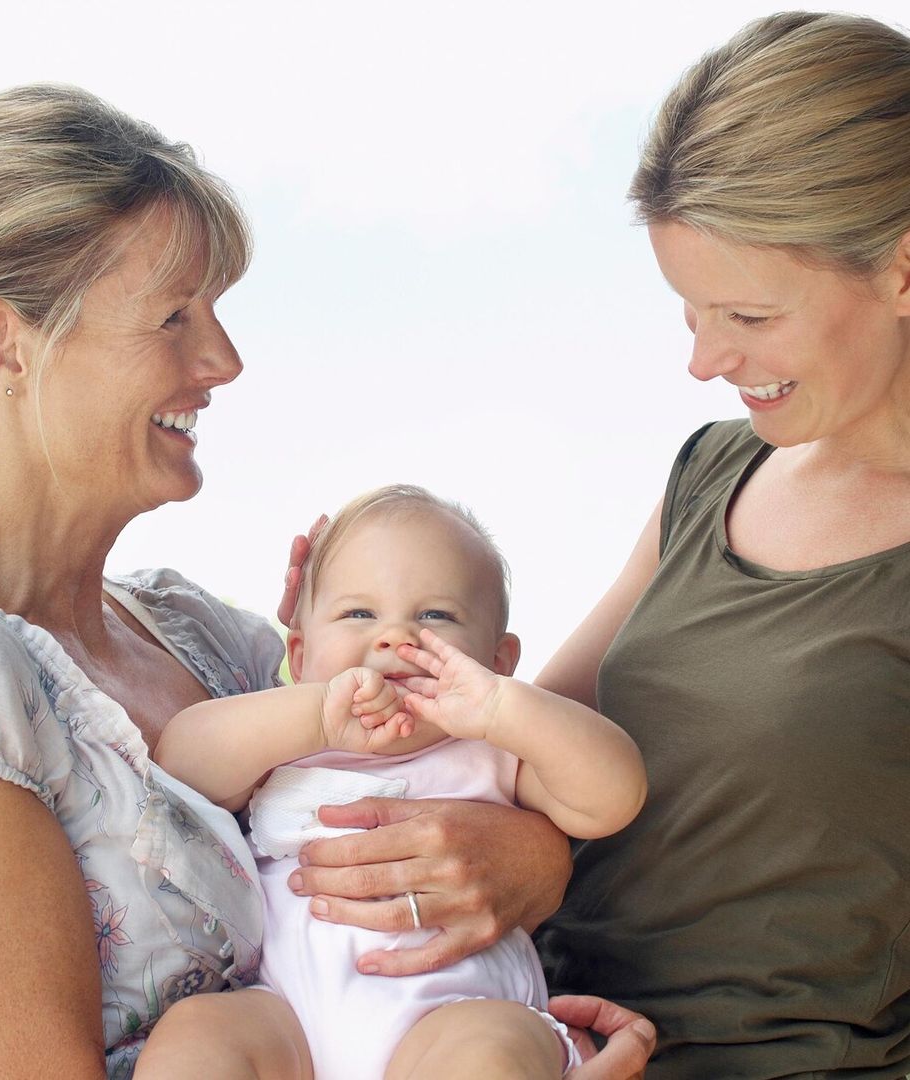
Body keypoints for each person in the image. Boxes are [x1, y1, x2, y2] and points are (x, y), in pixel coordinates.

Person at [0, 85, 654, 1078]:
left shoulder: (204, 633)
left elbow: (450, 792)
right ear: (4, 346)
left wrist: (527, 859)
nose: (223, 359)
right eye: (174, 317)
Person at [278, 10, 910, 1077]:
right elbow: (514, 736)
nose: (707, 360)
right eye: (689, 311)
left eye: (749, 315)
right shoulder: (713, 477)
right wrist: (332, 653)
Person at [142, 485, 646, 1079]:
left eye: (437, 615)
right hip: (288, 1021)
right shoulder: (285, 740)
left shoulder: (492, 752)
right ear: (299, 655)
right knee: (199, 1034)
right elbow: (181, 764)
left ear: (499, 660)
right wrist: (312, 716)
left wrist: (505, 711)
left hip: (453, 1016)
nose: (394, 637)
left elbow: (613, 796)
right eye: (359, 613)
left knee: (490, 1052)